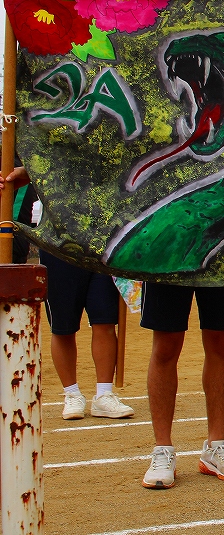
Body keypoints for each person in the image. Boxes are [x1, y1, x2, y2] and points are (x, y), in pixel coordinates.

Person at [1, 165, 135, 422]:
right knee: (62, 327)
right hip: (57, 240)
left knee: (105, 320)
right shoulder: (47, 150)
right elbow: (42, 163)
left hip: (103, 238)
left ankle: (104, 394)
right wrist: (24, 172)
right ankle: (71, 393)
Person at [141, 283, 224, 488]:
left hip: (218, 262)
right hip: (167, 263)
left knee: (220, 338)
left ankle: (215, 447)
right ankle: (162, 449)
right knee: (166, 342)